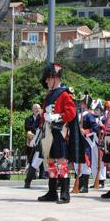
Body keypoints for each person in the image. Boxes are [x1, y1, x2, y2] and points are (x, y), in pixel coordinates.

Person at [37, 63, 86, 204]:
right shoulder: (49, 95)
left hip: (60, 132)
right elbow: (45, 114)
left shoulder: (64, 94)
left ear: (55, 78)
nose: (46, 81)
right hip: (48, 132)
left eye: (48, 78)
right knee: (50, 162)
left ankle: (65, 193)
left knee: (61, 163)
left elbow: (71, 113)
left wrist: (57, 117)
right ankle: (52, 192)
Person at [24, 104, 43, 188]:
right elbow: (34, 127)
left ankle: (58, 183)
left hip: (52, 141)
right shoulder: (41, 116)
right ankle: (28, 181)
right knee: (36, 161)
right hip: (41, 141)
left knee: (54, 163)